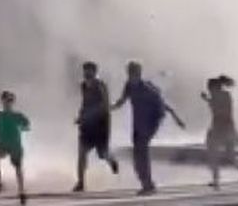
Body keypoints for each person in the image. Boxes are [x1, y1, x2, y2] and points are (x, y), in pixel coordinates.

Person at [112, 61, 186, 195]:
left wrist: (176, 118)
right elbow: (121, 101)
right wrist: (109, 108)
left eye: (133, 73)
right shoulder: (129, 86)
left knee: (142, 151)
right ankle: (146, 184)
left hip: (151, 122)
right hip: (138, 124)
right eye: (129, 72)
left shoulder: (147, 89)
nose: (130, 76)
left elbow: (163, 105)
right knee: (137, 154)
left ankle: (148, 185)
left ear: (139, 73)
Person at [74, 61, 119, 193]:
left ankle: (112, 161)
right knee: (82, 153)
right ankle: (80, 182)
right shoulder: (83, 86)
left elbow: (104, 105)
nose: (87, 73)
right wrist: (81, 116)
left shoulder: (100, 85)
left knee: (102, 153)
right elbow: (84, 103)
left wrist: (89, 115)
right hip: (87, 125)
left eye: (90, 71)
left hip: (101, 124)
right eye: (85, 70)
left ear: (95, 72)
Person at [201, 75, 238, 189]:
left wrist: (208, 100)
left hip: (223, 127)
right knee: (222, 153)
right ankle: (219, 177)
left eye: (210, 88)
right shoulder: (222, 95)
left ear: (215, 87)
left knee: (221, 153)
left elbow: (220, 111)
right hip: (223, 127)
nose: (209, 90)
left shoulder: (223, 96)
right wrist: (208, 100)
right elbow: (217, 109)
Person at [0, 91, 31, 205]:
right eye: (5, 101)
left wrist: (22, 128)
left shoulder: (17, 116)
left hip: (15, 145)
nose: (7, 103)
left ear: (12, 102)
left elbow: (27, 125)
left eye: (9, 101)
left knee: (18, 169)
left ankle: (22, 192)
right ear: (2, 102)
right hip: (3, 144)